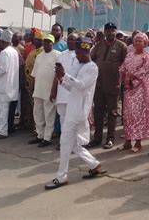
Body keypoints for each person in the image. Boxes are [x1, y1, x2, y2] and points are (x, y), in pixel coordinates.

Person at [44, 37, 106, 190]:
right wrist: (61, 80)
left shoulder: (92, 67)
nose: (76, 56)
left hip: (78, 111)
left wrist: (64, 75)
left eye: (78, 53)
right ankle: (94, 164)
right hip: (73, 108)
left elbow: (82, 85)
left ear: (85, 52)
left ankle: (62, 176)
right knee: (73, 144)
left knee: (65, 142)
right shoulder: (78, 65)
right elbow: (72, 88)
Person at [87, 22, 127, 149]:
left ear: (116, 32)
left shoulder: (122, 46)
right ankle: (97, 138)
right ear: (104, 32)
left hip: (113, 84)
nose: (110, 32)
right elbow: (91, 60)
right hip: (98, 84)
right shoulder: (98, 45)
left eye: (113, 30)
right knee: (98, 111)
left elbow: (126, 64)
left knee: (112, 112)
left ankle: (110, 138)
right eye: (108, 30)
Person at [118, 32, 149, 153]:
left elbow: (146, 71)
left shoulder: (147, 56)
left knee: (139, 115)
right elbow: (123, 67)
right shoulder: (129, 55)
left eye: (140, 41)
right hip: (129, 88)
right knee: (128, 115)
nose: (137, 43)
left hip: (141, 89)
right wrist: (123, 76)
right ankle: (127, 141)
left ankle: (138, 142)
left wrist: (133, 77)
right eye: (136, 40)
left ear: (145, 43)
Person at [29, 34, 61, 147]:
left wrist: (54, 90)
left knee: (49, 115)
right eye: (45, 41)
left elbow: (58, 75)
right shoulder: (39, 56)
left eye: (49, 42)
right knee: (38, 113)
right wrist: (32, 88)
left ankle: (47, 138)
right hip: (38, 89)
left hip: (49, 91)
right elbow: (34, 74)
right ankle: (39, 135)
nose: (46, 43)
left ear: (53, 43)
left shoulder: (58, 55)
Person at [0, 30, 19, 139]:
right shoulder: (14, 51)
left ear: (2, 41)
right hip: (12, 86)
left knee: (2, 111)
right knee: (6, 111)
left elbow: (2, 69)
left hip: (4, 86)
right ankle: (4, 129)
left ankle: (2, 132)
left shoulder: (4, 52)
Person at [52, 32, 79, 127]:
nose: (71, 41)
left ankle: (72, 141)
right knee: (62, 117)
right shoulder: (61, 55)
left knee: (72, 119)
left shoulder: (80, 56)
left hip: (74, 91)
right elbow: (56, 73)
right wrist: (53, 90)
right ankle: (64, 140)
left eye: (73, 39)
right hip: (62, 91)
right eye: (69, 39)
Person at [23, 30, 44, 132]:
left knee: (38, 107)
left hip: (37, 83)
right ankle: (31, 125)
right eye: (35, 40)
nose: (36, 41)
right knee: (30, 105)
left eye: (39, 40)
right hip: (29, 83)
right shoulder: (32, 51)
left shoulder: (42, 52)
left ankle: (37, 128)